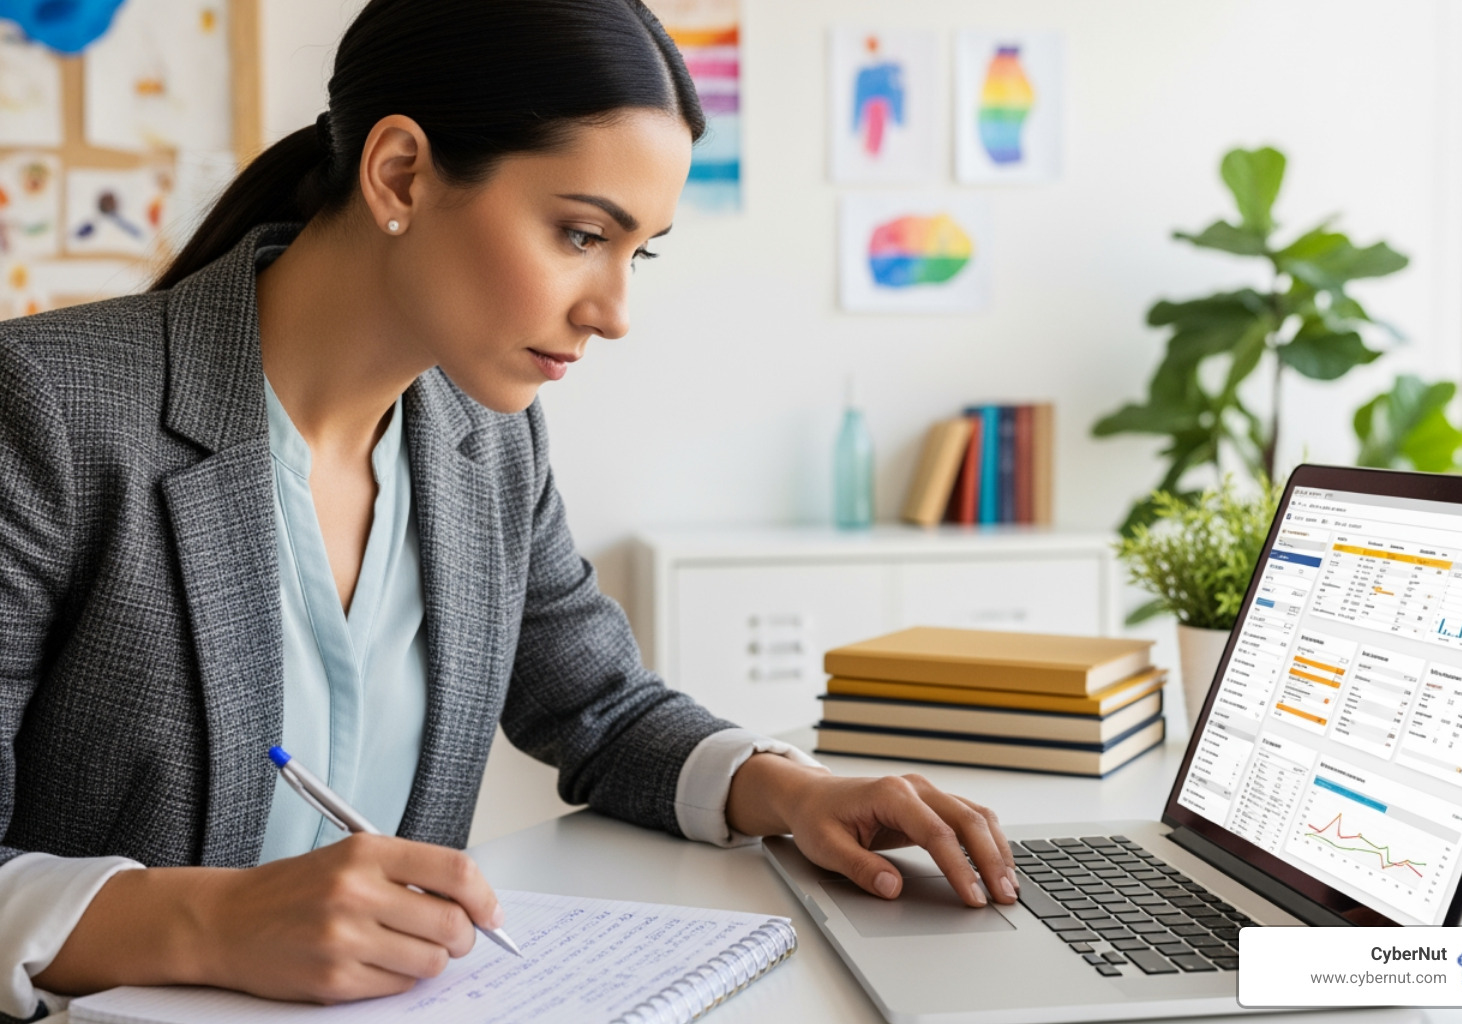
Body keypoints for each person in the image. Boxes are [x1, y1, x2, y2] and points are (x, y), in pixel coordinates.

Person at [0, 1, 1019, 1019]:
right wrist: (209, 922)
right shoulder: (47, 409)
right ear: (401, 173)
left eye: (639, 251)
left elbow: (600, 706)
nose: (615, 312)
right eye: (582, 233)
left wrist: (797, 791)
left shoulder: (486, 439)